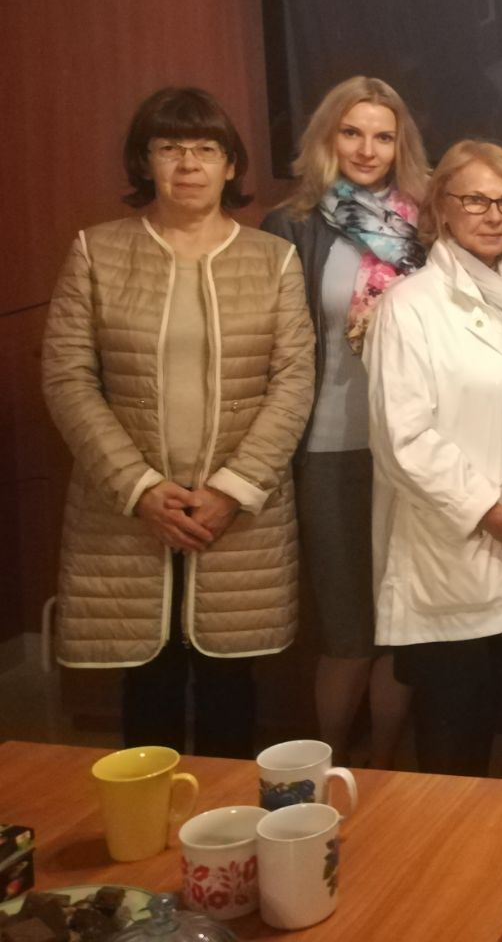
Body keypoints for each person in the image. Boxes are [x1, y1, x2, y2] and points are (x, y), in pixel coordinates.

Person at [41, 87, 314, 757]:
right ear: (145, 161)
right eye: (170, 147)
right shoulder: (96, 252)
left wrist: (231, 489)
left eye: (206, 149)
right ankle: (151, 822)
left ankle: (227, 822)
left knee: (230, 688)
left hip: (238, 515)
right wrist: (139, 489)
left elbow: (293, 384)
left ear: (230, 165)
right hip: (129, 512)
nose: (188, 163)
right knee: (148, 684)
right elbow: (68, 378)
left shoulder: (272, 258)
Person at [366, 139, 502, 777]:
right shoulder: (410, 305)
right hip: (452, 542)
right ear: (441, 209)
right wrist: (489, 511)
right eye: (474, 199)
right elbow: (403, 438)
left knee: (495, 720)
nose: (493, 214)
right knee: (452, 731)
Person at [261, 75, 428, 769]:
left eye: (383, 136)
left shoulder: (427, 225)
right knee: (347, 630)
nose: (366, 149)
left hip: (412, 449)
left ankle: (382, 770)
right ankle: (329, 775)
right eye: (352, 132)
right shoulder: (293, 224)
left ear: (400, 145)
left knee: (401, 628)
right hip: (330, 447)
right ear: (327, 137)